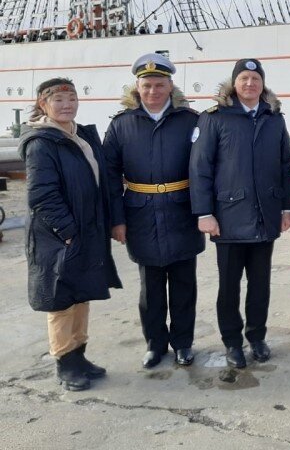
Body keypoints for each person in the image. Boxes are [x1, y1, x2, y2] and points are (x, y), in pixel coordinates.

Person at [190, 59, 290, 369]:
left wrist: (286, 208)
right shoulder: (215, 118)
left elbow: (285, 166)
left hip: (265, 214)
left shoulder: (274, 119)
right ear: (234, 83)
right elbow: (200, 169)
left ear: (263, 84)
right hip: (228, 217)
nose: (250, 84)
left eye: (255, 78)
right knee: (229, 285)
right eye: (244, 78)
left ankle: (257, 336)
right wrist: (204, 213)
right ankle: (232, 342)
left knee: (260, 283)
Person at [19, 78, 122, 391]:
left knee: (81, 295)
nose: (66, 105)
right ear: (43, 104)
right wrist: (67, 232)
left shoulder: (79, 137)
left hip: (85, 231)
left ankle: (80, 356)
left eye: (71, 98)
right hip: (58, 235)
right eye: (59, 99)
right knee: (60, 301)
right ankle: (65, 362)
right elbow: (41, 195)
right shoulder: (42, 143)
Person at [103, 54, 205, 369]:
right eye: (146, 85)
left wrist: (205, 212)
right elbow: (109, 176)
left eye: (159, 84)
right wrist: (116, 220)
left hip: (182, 212)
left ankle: (183, 344)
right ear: (137, 87)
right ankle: (155, 344)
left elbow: (204, 169)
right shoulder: (122, 124)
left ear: (170, 85)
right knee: (151, 289)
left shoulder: (190, 120)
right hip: (140, 215)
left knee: (184, 285)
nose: (153, 91)